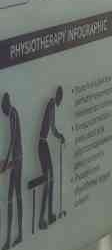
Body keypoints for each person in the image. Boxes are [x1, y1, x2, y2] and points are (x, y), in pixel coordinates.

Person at [37, 87, 65, 230]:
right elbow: (51, 127)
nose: (61, 101)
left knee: (51, 180)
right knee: (48, 182)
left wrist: (60, 136)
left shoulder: (52, 105)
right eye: (61, 98)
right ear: (58, 96)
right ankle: (42, 218)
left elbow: (52, 128)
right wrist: (58, 135)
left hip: (44, 144)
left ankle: (49, 214)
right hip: (42, 145)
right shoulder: (51, 104)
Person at [1, 93, 21, 250]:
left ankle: (10, 239)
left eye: (4, 109)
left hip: (17, 159)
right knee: (16, 196)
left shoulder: (13, 113)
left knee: (12, 198)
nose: (4, 113)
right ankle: (16, 235)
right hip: (16, 158)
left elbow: (14, 138)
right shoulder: (13, 113)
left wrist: (7, 160)